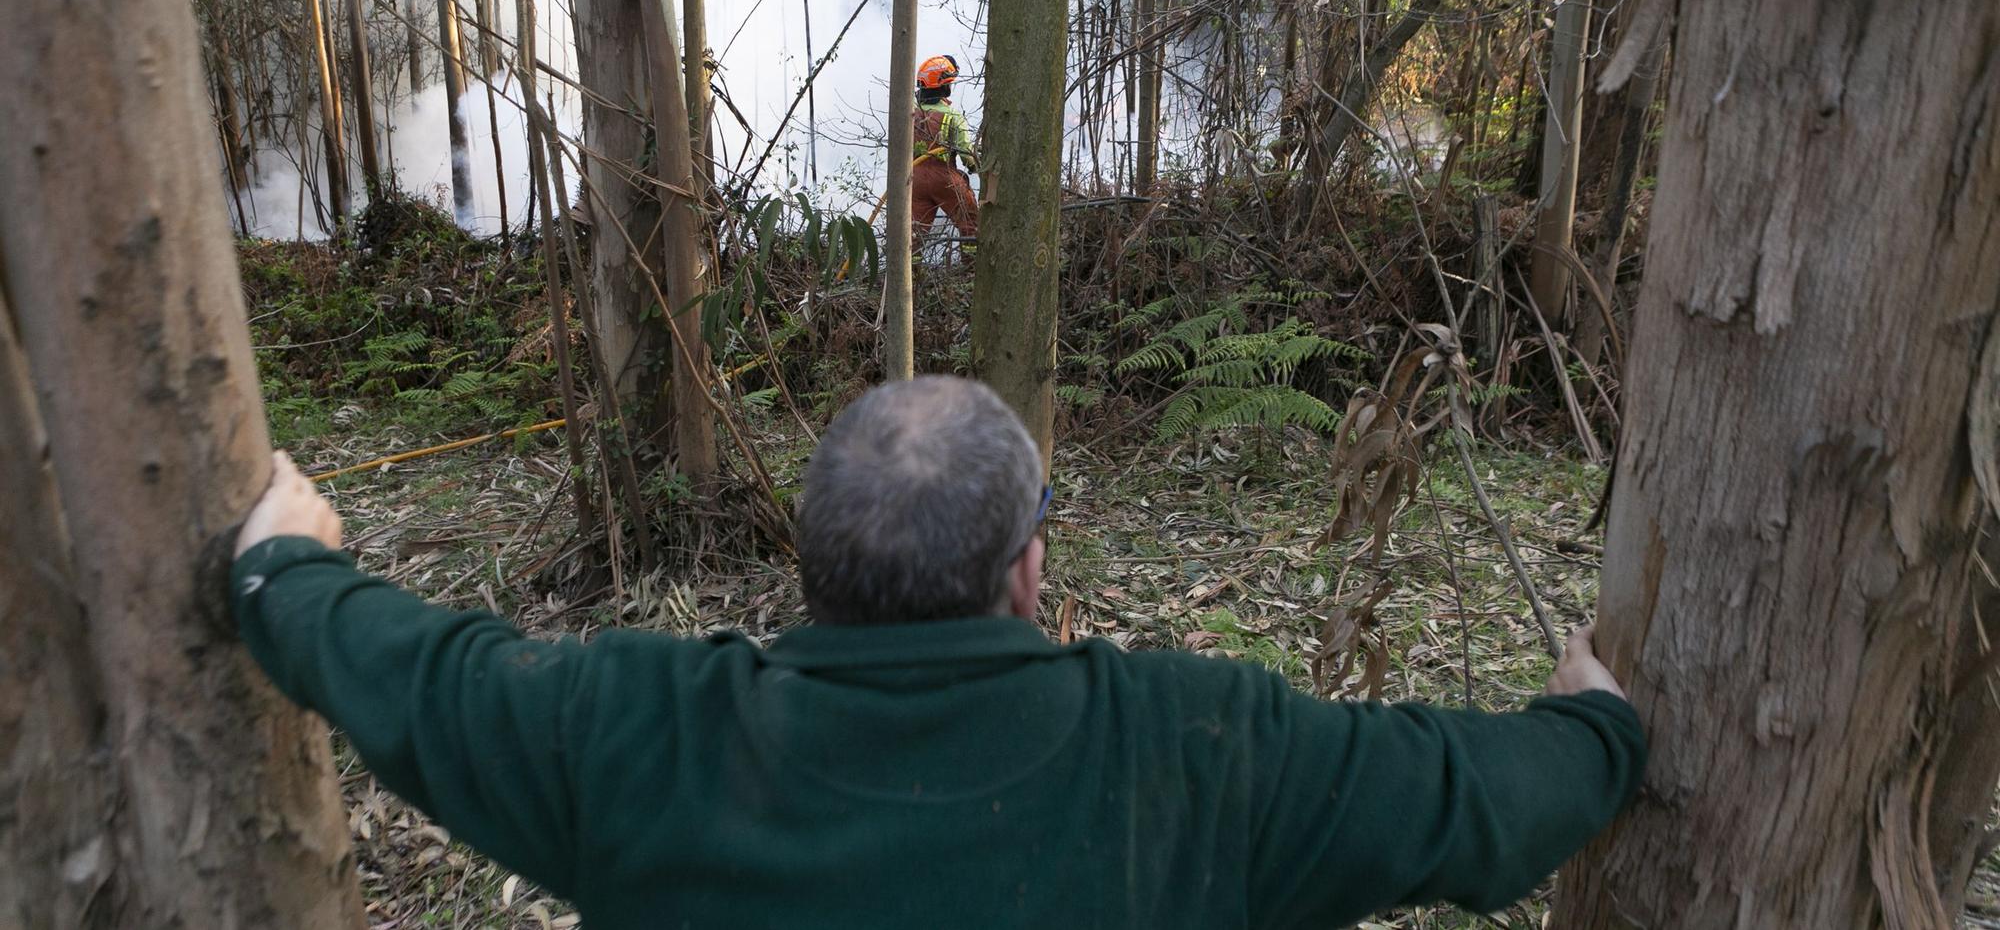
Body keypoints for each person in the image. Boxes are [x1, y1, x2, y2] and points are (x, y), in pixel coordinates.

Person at [230, 376, 1644, 929]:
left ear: (815, 564)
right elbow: (1467, 799)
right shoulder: (1195, 749)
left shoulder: (627, 730)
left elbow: (413, 673)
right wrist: (1597, 730)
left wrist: (282, 568)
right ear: (1027, 568)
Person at [910, 53, 979, 249]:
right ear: (942, 86)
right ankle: (970, 268)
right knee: (970, 224)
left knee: (914, 234)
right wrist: (976, 166)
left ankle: (912, 275)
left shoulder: (909, 111)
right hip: (944, 179)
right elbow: (966, 153)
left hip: (914, 179)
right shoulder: (952, 115)